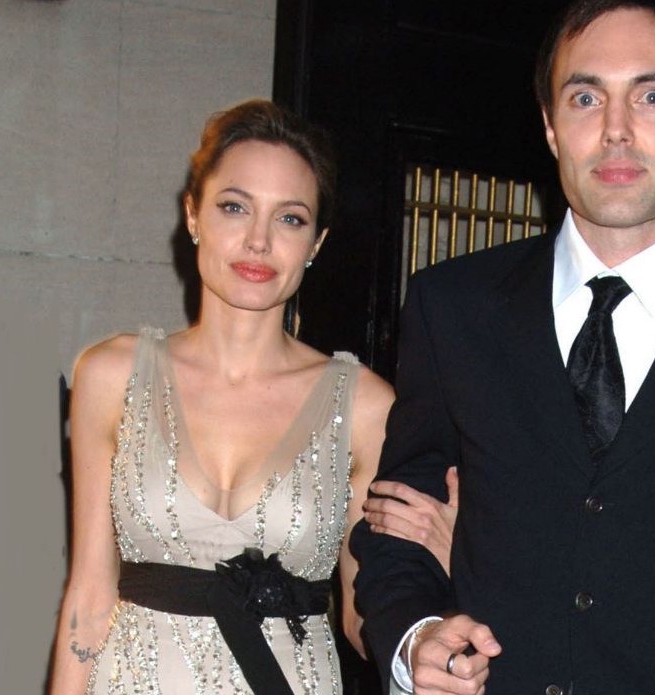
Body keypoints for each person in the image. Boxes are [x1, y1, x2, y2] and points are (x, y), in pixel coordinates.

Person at [349, 1, 655, 693]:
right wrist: (416, 636)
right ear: (551, 127)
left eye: (651, 96)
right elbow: (394, 528)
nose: (616, 129)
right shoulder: (453, 306)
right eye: (586, 98)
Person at [48, 98, 443, 695]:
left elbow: (363, 621)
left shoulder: (364, 407)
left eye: (290, 219)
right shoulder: (112, 376)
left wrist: (441, 590)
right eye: (235, 207)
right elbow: (89, 595)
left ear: (316, 243)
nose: (258, 240)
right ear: (193, 214)